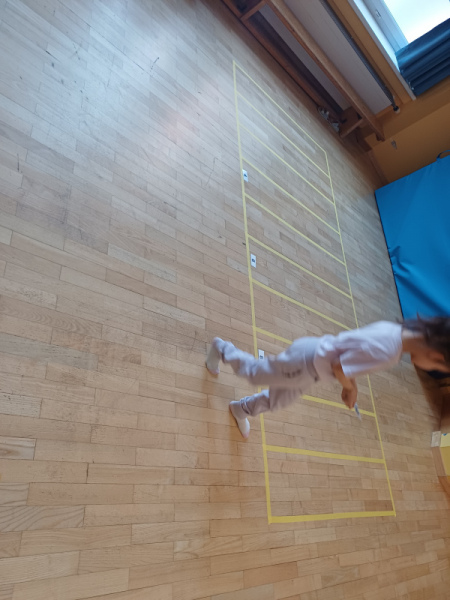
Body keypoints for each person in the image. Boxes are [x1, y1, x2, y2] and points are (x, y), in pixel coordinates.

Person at [205, 317, 450, 438]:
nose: (431, 370)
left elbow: (349, 357)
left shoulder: (395, 331)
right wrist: (350, 389)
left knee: (278, 401)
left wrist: (352, 385)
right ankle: (221, 348)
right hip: (304, 364)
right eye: (438, 368)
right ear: (437, 356)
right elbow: (339, 367)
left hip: (310, 366)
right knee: (254, 373)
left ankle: (240, 409)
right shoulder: (390, 352)